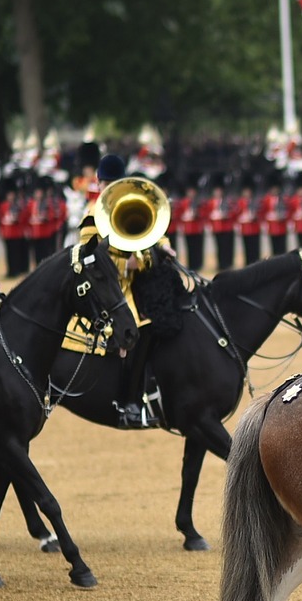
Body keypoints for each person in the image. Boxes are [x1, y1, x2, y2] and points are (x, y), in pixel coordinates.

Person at [78, 154, 170, 428]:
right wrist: (126, 262)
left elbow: (151, 231)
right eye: (107, 182)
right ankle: (129, 402)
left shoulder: (130, 204)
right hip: (108, 287)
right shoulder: (92, 215)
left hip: (136, 283)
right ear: (99, 182)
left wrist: (163, 246)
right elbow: (89, 257)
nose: (110, 187)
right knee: (136, 328)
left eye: (115, 182)